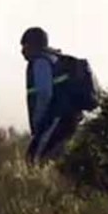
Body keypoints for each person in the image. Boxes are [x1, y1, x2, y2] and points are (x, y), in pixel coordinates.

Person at [21, 27, 82, 160]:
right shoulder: (54, 59)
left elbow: (44, 93)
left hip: (55, 118)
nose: (22, 51)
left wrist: (39, 120)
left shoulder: (40, 62)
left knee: (35, 159)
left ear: (33, 45)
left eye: (24, 45)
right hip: (67, 117)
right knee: (55, 159)